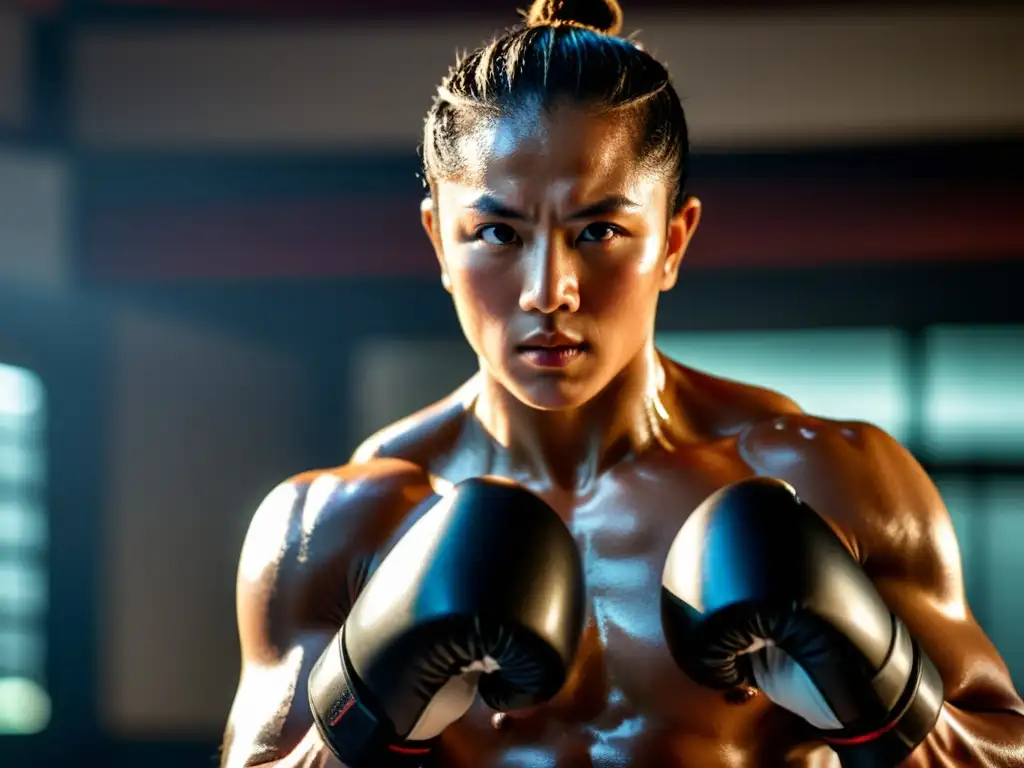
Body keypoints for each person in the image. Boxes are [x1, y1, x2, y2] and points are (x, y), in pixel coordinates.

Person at [220, 0, 1024, 765]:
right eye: (497, 231)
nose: (548, 289)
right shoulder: (337, 526)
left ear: (673, 241)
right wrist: (366, 711)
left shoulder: (829, 480)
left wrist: (879, 696)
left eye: (599, 230)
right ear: (439, 240)